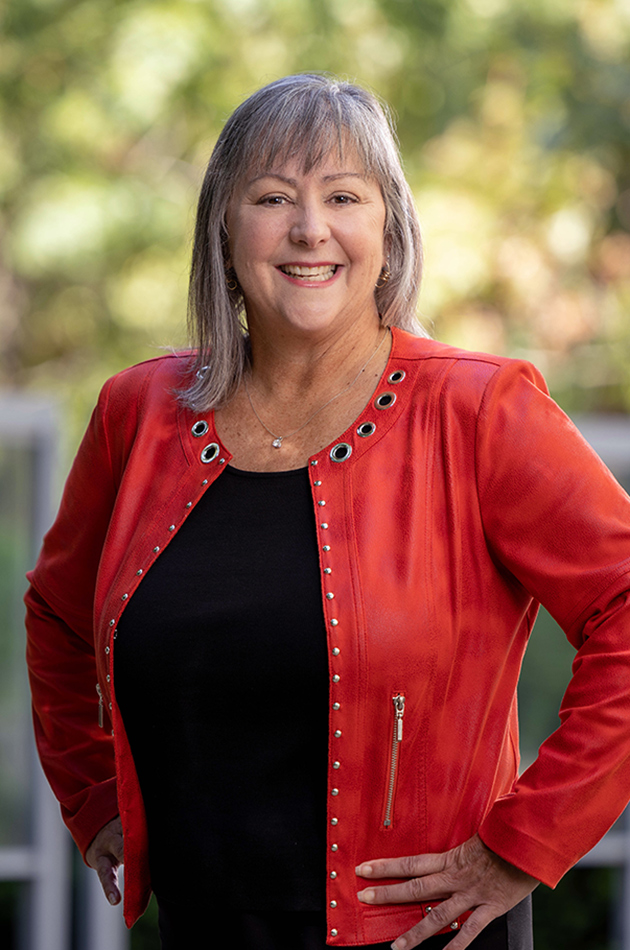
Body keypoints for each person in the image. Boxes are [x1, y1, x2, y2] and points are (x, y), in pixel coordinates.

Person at [25, 73, 630, 950]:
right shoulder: (138, 414)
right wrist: (92, 800)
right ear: (224, 232)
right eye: (273, 197)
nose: (311, 228)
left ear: (389, 230)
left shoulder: (480, 411)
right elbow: (54, 615)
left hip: (425, 936)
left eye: (343, 195)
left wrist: (524, 842)